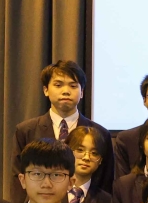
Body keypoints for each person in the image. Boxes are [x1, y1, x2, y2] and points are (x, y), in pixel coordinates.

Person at [14, 60, 113, 191]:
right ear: (46, 90)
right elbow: (17, 177)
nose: (66, 91)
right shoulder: (26, 130)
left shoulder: (101, 133)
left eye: (73, 86)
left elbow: (106, 180)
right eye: (58, 85)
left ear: (82, 92)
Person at [63, 125, 114, 203]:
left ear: (100, 160)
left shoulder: (107, 202)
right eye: (80, 150)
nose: (86, 157)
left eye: (94, 153)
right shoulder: (51, 190)